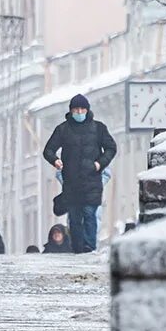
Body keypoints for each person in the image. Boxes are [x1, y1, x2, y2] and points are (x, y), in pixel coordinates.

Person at [43, 94, 116, 254]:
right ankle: (77, 249)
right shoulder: (63, 129)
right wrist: (55, 160)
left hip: (92, 181)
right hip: (71, 182)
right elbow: (48, 150)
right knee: (75, 218)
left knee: (89, 214)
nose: (79, 112)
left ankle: (89, 247)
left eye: (82, 109)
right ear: (71, 111)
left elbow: (111, 148)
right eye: (76, 109)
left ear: (87, 110)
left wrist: (99, 164)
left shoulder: (99, 128)